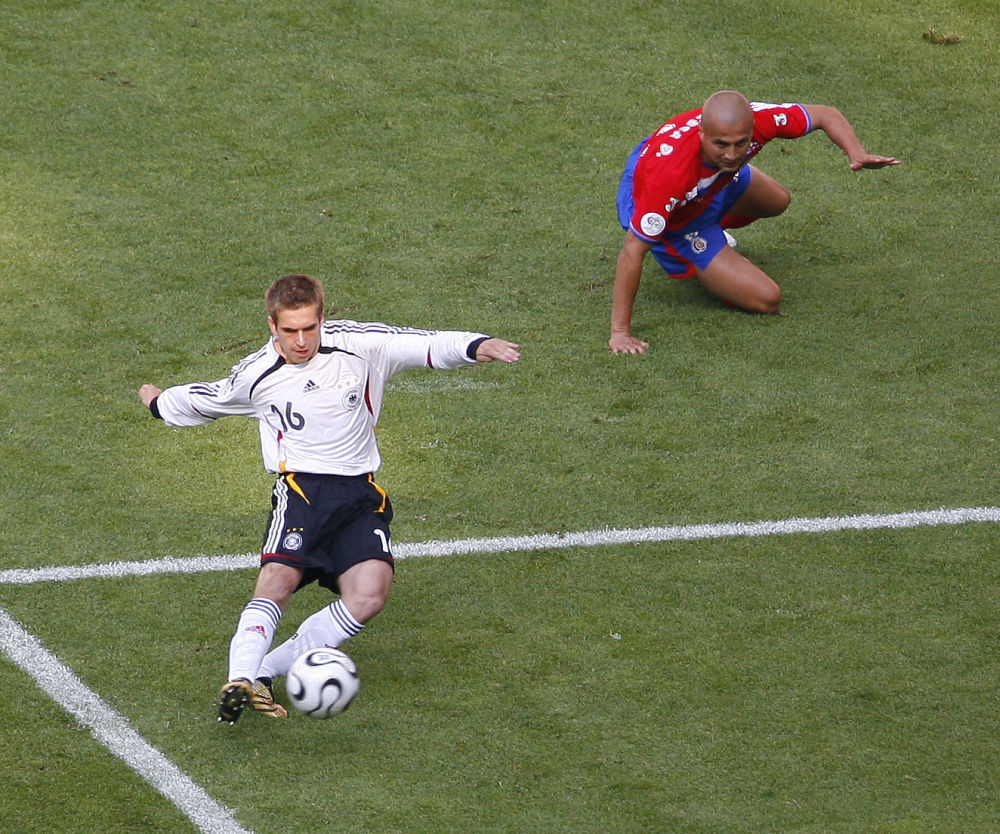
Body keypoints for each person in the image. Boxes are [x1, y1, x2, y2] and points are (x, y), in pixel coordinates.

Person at [139, 273, 520, 724]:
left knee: (369, 595)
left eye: (310, 328)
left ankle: (261, 673)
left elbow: (424, 344)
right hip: (303, 491)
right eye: (290, 330)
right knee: (278, 581)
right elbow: (209, 399)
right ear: (272, 326)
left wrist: (477, 345)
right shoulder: (258, 374)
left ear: (323, 319)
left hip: (360, 494)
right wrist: (159, 403)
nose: (301, 341)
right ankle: (238, 677)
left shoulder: (359, 346)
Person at [610, 90, 901, 354]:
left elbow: (825, 114)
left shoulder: (761, 120)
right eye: (721, 144)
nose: (732, 154)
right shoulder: (669, 176)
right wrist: (620, 333)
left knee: (777, 200)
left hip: (709, 182)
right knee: (767, 299)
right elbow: (632, 251)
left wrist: (856, 152)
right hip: (672, 213)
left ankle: (715, 232)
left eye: (741, 143)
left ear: (752, 130)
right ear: (701, 134)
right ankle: (688, 246)